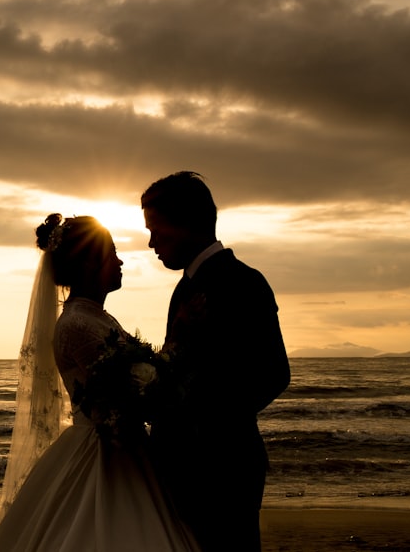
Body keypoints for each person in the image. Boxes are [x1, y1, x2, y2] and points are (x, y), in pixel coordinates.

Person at [0, 213, 199, 552]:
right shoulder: (78, 324)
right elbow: (127, 391)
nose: (120, 261)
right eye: (112, 252)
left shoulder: (94, 316)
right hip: (104, 453)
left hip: (123, 446)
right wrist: (177, 344)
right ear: (89, 262)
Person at [141, 171, 290, 551]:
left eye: (157, 229)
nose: (151, 242)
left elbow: (273, 373)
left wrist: (202, 422)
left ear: (187, 223)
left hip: (223, 468)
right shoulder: (186, 285)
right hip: (185, 466)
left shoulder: (243, 281)